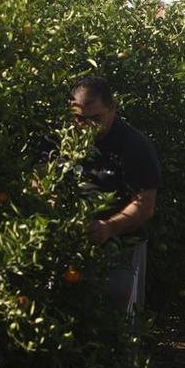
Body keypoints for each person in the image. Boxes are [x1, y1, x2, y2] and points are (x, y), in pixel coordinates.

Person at [69, 76, 161, 315]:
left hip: (120, 247)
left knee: (115, 314)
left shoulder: (133, 145)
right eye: (79, 119)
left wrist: (109, 227)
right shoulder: (60, 141)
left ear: (112, 108)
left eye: (95, 118)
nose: (86, 126)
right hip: (69, 246)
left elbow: (145, 205)